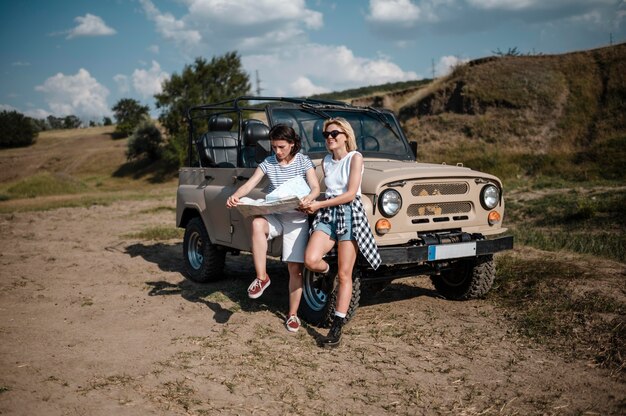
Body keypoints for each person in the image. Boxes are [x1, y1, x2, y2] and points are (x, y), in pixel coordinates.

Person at [226, 124, 320, 333]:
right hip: (276, 214)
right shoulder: (268, 162)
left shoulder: (303, 161)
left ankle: (292, 314)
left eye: (281, 147)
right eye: (274, 147)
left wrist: (308, 199)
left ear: (292, 144)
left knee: (294, 269)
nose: (277, 152)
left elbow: (315, 188)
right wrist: (236, 196)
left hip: (297, 218)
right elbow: (250, 184)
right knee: (257, 222)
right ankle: (262, 277)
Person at [304, 117, 381, 349]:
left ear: (346, 136)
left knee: (346, 275)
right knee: (311, 259)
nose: (329, 138)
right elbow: (323, 190)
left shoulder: (355, 158)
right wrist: (310, 200)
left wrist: (318, 205)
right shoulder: (326, 161)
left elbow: (349, 194)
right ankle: (329, 273)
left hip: (349, 213)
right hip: (328, 214)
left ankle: (336, 327)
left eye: (334, 133)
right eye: (326, 135)